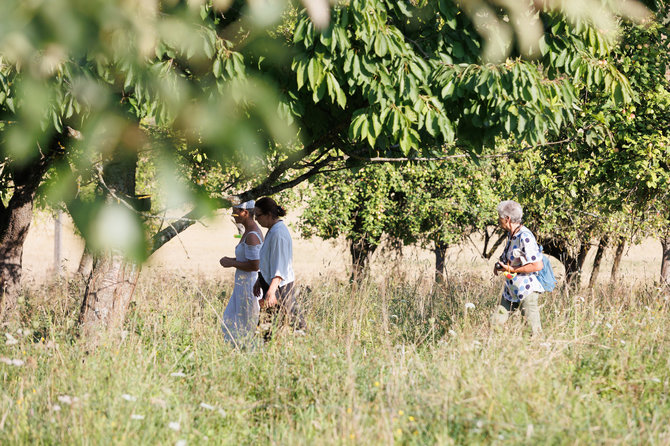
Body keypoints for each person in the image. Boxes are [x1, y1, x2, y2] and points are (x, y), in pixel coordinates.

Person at [253, 197, 305, 336]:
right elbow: (270, 260)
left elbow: (280, 265)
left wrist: (271, 291)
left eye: (258, 215)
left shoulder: (278, 234)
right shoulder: (272, 230)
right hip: (271, 284)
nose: (256, 219)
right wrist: (260, 280)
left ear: (269, 215)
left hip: (280, 287)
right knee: (267, 328)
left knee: (285, 325)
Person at [491, 200, 544, 335]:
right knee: (496, 324)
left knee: (533, 331)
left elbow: (537, 265)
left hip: (526, 290)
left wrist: (513, 270)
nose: (499, 220)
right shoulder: (512, 234)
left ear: (507, 219)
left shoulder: (525, 236)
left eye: (500, 217)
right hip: (511, 290)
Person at [219, 200, 263, 347]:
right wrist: (232, 260)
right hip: (242, 285)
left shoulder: (252, 235)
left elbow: (255, 264)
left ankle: (248, 349)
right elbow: (247, 259)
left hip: (249, 285)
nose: (233, 215)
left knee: (246, 321)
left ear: (245, 212)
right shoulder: (247, 232)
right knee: (233, 319)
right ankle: (238, 349)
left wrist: (231, 263)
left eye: (235, 211)